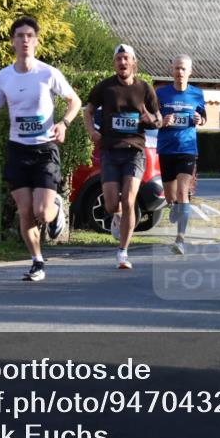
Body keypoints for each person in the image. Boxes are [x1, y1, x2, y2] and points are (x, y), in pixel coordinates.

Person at [0, 16, 81, 281]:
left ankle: (56, 206)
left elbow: (75, 101)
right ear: (13, 41)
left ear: (36, 41)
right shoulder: (4, 77)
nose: (25, 40)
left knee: (42, 212)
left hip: (45, 149)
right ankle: (37, 261)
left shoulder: (48, 73)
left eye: (29, 36)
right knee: (25, 211)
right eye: (20, 36)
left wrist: (64, 123)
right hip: (18, 149)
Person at [85, 44, 161, 269]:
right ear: (114, 63)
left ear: (133, 62)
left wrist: (151, 120)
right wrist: (92, 131)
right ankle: (117, 217)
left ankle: (123, 252)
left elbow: (158, 118)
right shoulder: (105, 88)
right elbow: (88, 111)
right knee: (110, 205)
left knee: (129, 200)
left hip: (134, 152)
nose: (122, 63)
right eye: (118, 59)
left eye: (126, 58)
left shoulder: (145, 89)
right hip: (109, 151)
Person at [155, 55, 205, 255]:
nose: (179, 72)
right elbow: (153, 119)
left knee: (183, 192)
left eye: (183, 69)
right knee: (170, 196)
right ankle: (174, 206)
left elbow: (202, 118)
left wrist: (199, 119)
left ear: (190, 71)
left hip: (187, 149)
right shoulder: (161, 93)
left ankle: (180, 239)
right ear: (172, 70)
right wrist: (162, 121)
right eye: (176, 68)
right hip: (166, 149)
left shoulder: (197, 94)